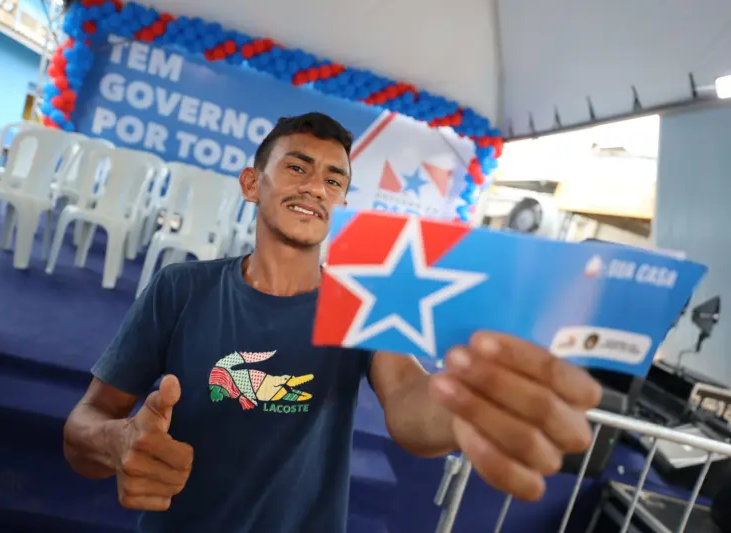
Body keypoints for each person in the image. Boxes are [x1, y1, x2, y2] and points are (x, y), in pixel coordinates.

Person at [63, 112, 602, 533]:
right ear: (252, 183)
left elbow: (411, 402)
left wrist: (469, 402)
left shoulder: (362, 300)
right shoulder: (180, 288)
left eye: (333, 178)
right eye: (297, 167)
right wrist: (118, 443)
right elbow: (86, 422)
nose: (315, 186)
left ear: (343, 201)